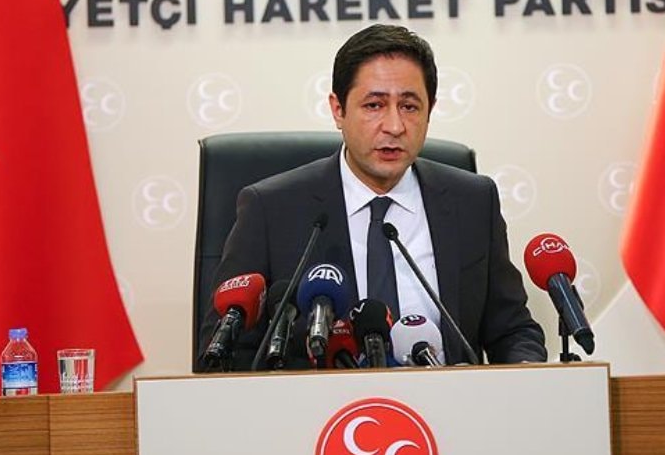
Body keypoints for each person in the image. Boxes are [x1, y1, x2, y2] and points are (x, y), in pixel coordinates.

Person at [201, 24, 546, 369]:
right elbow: (223, 355)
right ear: (338, 110)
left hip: (449, 400)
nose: (394, 126)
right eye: (374, 105)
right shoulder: (272, 209)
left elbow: (512, 331)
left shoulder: (473, 202)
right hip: (323, 403)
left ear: (430, 110)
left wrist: (524, 368)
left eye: (409, 106)